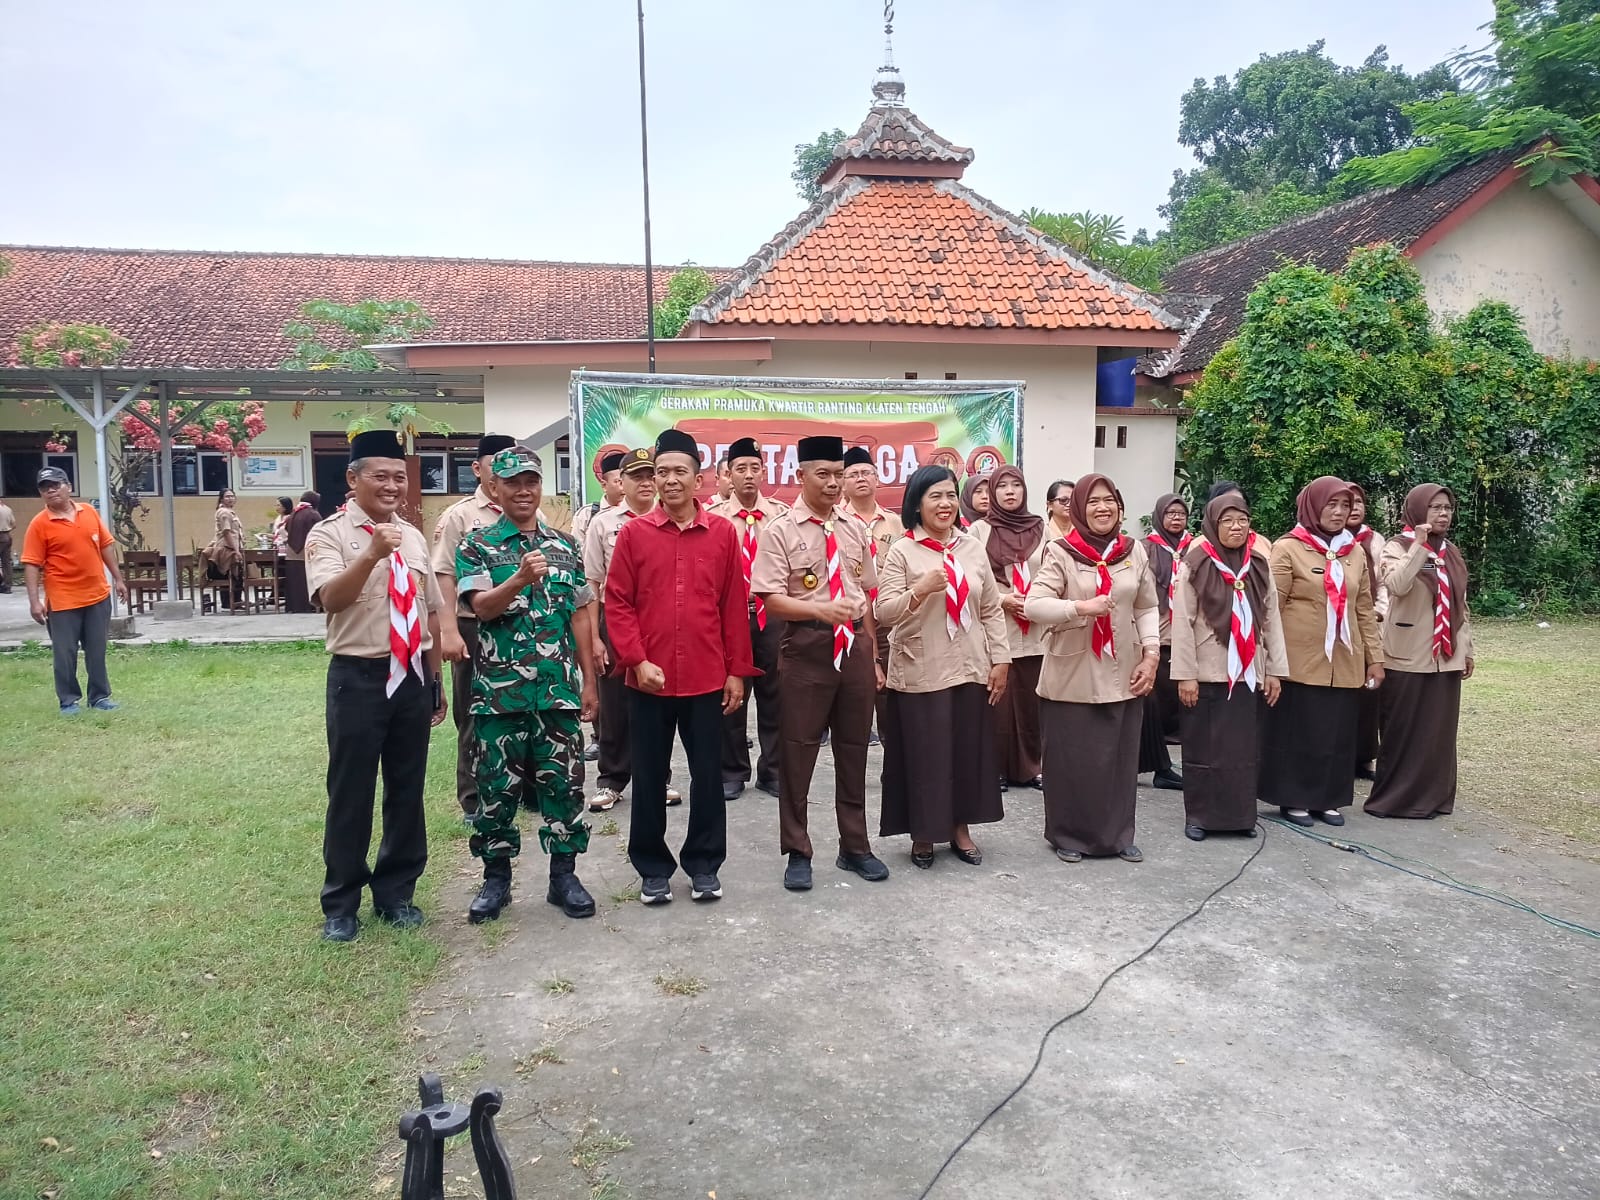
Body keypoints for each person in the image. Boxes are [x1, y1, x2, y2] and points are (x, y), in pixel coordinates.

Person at [304, 430, 448, 942]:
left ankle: (396, 893)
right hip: (358, 678)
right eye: (380, 476)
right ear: (352, 478)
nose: (392, 486)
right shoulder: (328, 535)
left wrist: (434, 680)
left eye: (399, 478)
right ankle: (341, 904)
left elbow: (430, 609)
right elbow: (330, 599)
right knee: (351, 792)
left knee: (407, 790)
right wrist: (368, 554)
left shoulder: (411, 535)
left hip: (409, 676)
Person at [605, 429, 755, 904]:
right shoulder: (634, 533)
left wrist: (736, 671)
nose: (670, 481)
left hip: (707, 677)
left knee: (708, 775)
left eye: (679, 472)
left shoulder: (723, 534)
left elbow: (734, 606)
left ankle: (704, 864)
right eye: (662, 472)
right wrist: (637, 659)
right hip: (649, 679)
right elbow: (619, 602)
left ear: (700, 479)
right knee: (649, 775)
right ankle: (652, 867)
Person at [455, 445, 600, 922]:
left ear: (541, 487)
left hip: (556, 691)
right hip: (500, 696)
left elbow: (579, 615)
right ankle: (496, 881)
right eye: (513, 482)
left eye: (531, 481)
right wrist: (517, 578)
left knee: (564, 786)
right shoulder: (476, 545)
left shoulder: (565, 546)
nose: (523, 490)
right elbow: (482, 608)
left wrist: (588, 681)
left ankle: (564, 876)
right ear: (494, 488)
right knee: (496, 792)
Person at [751, 434, 889, 891]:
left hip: (853, 649)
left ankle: (855, 846)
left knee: (853, 749)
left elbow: (865, 594)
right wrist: (818, 610)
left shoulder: (853, 529)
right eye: (823, 475)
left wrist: (870, 656)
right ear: (800, 476)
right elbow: (769, 600)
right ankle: (798, 850)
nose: (833, 484)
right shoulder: (780, 531)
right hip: (806, 647)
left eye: (839, 475)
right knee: (798, 750)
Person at [877, 465, 1010, 867]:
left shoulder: (970, 548)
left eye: (951, 495)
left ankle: (959, 829)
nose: (945, 503)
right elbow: (883, 613)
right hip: (921, 669)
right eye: (935, 496)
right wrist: (919, 591)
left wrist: (1001, 658)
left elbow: (990, 608)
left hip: (969, 666)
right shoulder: (902, 551)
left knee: (966, 752)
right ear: (917, 504)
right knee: (925, 755)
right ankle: (923, 833)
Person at [1023, 473, 1159, 864]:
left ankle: (1117, 835)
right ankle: (1069, 835)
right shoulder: (1062, 551)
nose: (1102, 508)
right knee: (1073, 758)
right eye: (1093, 502)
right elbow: (1034, 605)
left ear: (1119, 506)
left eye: (1109, 500)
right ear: (1080, 509)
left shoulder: (1133, 551)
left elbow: (1146, 606)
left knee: (1119, 757)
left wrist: (1151, 655)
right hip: (1073, 671)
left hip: (1124, 669)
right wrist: (1079, 608)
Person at [1260, 476, 1384, 828]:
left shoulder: (1354, 551)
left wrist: (1375, 658)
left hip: (1344, 659)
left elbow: (1363, 607)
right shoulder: (1289, 547)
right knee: (1301, 731)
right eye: (1332, 505)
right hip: (1300, 660)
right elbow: (1272, 608)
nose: (1340, 512)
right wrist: (1271, 660)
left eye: (1345, 506)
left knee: (1336, 732)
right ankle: (1295, 797)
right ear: (1313, 506)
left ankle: (1327, 799)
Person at [1170, 494, 1288, 840]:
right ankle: (1201, 817)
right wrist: (1185, 675)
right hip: (1208, 672)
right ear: (1212, 525)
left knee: (1242, 749)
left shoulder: (1259, 565)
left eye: (1242, 520)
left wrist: (1275, 671)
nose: (1236, 527)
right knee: (1204, 749)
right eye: (1228, 521)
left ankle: (1239, 817)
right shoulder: (1196, 562)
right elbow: (1183, 622)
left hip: (1249, 671)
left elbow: (1271, 620)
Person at [1366, 485, 1475, 819]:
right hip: (1407, 653)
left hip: (1446, 655)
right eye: (1435, 508)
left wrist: (1467, 648)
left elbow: (1461, 604)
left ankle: (1434, 797)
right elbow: (1396, 585)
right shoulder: (1396, 547)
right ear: (1416, 511)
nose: (1443, 514)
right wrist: (1419, 546)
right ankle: (1396, 800)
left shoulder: (1451, 552)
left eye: (1447, 508)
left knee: (1437, 732)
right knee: (1404, 730)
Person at [585, 448, 679, 811]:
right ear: (620, 483)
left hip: (659, 620)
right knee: (614, 703)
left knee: (660, 700)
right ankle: (611, 778)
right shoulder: (603, 524)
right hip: (615, 618)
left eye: (648, 475)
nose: (643, 482)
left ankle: (658, 777)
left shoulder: (672, 520)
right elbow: (592, 584)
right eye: (635, 476)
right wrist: (595, 637)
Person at [430, 434, 517, 819]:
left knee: (518, 708)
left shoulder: (528, 510)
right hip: (471, 627)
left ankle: (518, 788)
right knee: (472, 712)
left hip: (519, 628)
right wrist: (448, 631)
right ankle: (473, 798)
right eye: (494, 464)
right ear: (478, 469)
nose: (503, 473)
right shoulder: (460, 517)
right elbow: (444, 577)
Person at [708, 436, 790, 800]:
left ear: (763, 472)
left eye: (755, 468)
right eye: (740, 469)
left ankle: (772, 770)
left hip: (771, 615)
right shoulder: (713, 519)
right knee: (730, 692)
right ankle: (731, 770)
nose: (748, 475)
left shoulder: (780, 516)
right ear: (728, 473)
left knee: (777, 693)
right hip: (731, 617)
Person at [22, 466, 129, 714]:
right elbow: (31, 564)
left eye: (55, 484)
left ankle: (100, 697)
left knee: (97, 650)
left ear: (68, 486)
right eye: (44, 487)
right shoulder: (39, 524)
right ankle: (68, 701)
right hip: (63, 600)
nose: (50, 490)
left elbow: (106, 547)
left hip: (97, 595)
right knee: (65, 653)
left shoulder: (89, 512)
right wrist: (34, 602)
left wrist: (119, 579)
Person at [972, 465, 1046, 790]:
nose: (1010, 492)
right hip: (997, 625)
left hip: (1037, 626)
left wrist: (1035, 600)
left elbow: (1054, 570)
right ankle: (995, 767)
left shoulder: (1042, 529)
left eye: (1016, 485)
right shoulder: (978, 531)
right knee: (997, 701)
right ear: (993, 493)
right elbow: (973, 579)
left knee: (1033, 700)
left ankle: (1032, 767)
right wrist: (1004, 599)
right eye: (1002, 486)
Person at [838, 445, 904, 749]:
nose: (860, 478)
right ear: (843, 483)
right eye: (852, 474)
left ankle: (894, 761)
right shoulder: (836, 524)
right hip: (851, 621)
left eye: (866, 472)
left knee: (891, 695)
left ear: (877, 479)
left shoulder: (895, 524)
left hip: (889, 618)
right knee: (858, 694)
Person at [1139, 493, 1190, 790]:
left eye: (1181, 514)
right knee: (1152, 704)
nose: (1176, 518)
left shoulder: (1195, 549)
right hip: (1155, 634)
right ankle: (1158, 765)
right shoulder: (1145, 549)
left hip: (1185, 636)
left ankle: (1165, 766)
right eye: (1170, 513)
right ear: (1159, 516)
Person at [1346, 483, 1389, 779]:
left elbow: (1383, 582)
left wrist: (1379, 611)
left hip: (1369, 623)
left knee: (1369, 694)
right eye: (1349, 502)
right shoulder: (1320, 539)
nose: (1355, 508)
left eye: (1360, 502)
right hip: (1336, 628)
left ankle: (1364, 757)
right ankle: (1342, 755)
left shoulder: (1374, 540)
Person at [201, 488, 246, 612]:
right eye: (227, 496)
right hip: (227, 548)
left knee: (235, 574)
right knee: (230, 574)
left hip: (232, 546)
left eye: (232, 496)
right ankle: (230, 602)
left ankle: (235, 601)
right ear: (221, 498)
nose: (230, 498)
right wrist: (235, 550)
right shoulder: (224, 513)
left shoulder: (230, 512)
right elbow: (227, 532)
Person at [571, 451, 626, 548]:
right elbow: (577, 553)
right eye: (619, 482)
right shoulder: (586, 515)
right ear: (604, 485)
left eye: (628, 482)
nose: (624, 487)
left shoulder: (642, 513)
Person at [283, 490, 321, 613]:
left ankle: (293, 607)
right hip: (306, 552)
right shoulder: (312, 514)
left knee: (294, 581)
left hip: (291, 552)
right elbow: (320, 531)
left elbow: (286, 529)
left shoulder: (293, 513)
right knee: (305, 581)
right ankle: (307, 606)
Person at [0, 496, 14, 592]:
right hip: (7, 536)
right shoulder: (8, 509)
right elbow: (14, 524)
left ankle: (1, 582)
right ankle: (7, 586)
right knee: (6, 562)